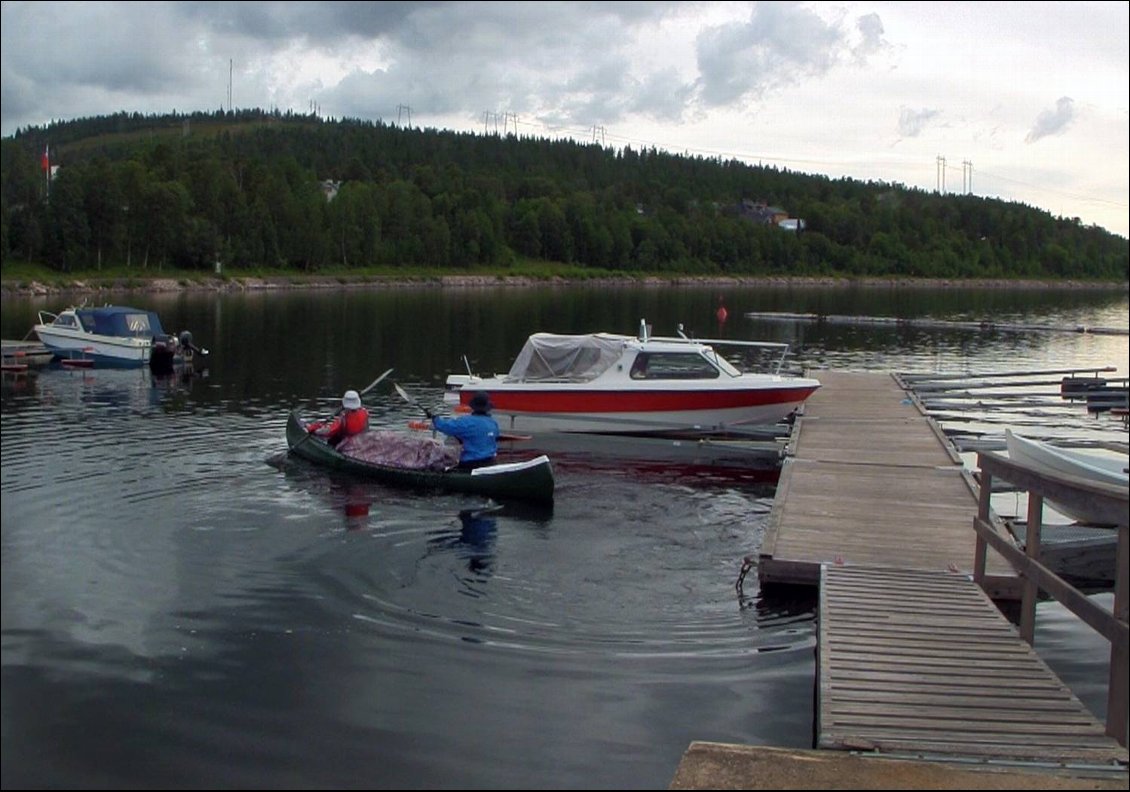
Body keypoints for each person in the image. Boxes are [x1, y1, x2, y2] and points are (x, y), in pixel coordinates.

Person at [427, 391, 499, 469]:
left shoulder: (467, 422)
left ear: (473, 406)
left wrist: (435, 419)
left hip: (471, 464)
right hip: (490, 461)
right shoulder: (493, 423)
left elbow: (446, 426)